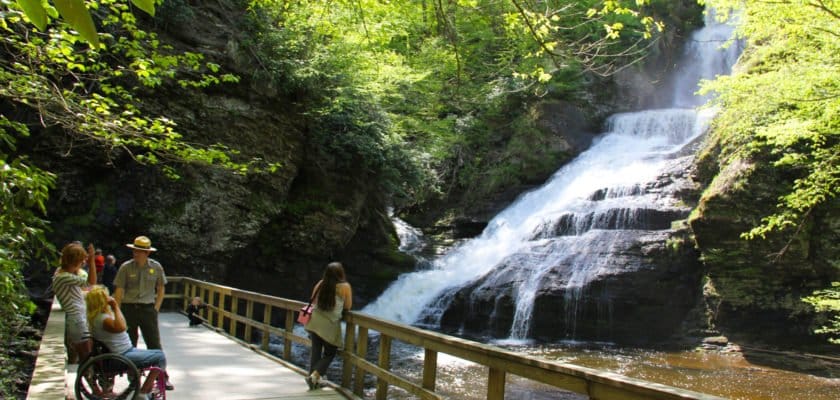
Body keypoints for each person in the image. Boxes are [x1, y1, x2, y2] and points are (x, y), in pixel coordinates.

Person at [85, 285, 168, 400]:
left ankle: (140, 390)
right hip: (121, 355)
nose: (110, 298)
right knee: (160, 357)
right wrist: (115, 306)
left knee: (155, 353)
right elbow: (123, 326)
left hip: (120, 352)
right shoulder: (104, 319)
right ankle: (143, 392)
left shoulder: (96, 317)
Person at [113, 235, 172, 389]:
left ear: (147, 253)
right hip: (129, 308)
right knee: (129, 344)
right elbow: (119, 290)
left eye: (139, 251)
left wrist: (156, 308)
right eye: (134, 250)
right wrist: (116, 311)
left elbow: (161, 288)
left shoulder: (156, 267)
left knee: (154, 343)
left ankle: (162, 377)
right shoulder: (125, 267)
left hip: (147, 309)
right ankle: (133, 377)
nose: (136, 253)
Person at [303, 262, 352, 390]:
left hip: (315, 321)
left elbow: (313, 300)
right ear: (341, 273)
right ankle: (314, 376)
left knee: (316, 350)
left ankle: (313, 380)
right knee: (330, 353)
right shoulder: (345, 287)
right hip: (330, 323)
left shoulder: (321, 283)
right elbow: (348, 306)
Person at [52, 242, 97, 363]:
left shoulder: (62, 273)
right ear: (75, 260)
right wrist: (92, 261)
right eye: (82, 260)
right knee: (86, 356)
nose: (83, 263)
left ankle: (82, 381)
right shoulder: (64, 277)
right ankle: (83, 381)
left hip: (78, 319)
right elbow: (90, 283)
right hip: (77, 320)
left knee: (85, 355)